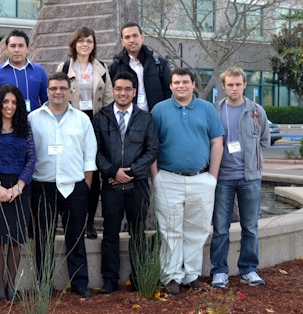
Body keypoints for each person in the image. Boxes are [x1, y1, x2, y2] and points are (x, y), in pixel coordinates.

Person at [150, 67, 224, 295]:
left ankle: (191, 275)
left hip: (201, 179)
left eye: (185, 82)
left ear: (193, 84)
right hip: (168, 178)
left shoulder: (207, 109)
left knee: (198, 229)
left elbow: (217, 142)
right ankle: (171, 276)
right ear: (170, 85)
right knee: (170, 230)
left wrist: (212, 177)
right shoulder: (159, 110)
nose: (180, 86)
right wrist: (156, 177)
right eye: (176, 83)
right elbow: (151, 146)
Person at [28, 72, 97, 298]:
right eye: (53, 88)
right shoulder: (33, 118)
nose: (58, 92)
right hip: (42, 186)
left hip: (74, 187)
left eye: (62, 88)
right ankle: (44, 285)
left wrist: (86, 184)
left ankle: (80, 284)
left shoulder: (82, 119)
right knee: (43, 240)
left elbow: (90, 154)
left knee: (75, 237)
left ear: (70, 91)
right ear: (47, 91)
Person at [93, 72, 158, 294]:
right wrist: (113, 171)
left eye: (127, 89)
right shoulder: (101, 118)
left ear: (134, 91)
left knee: (137, 232)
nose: (122, 93)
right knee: (110, 233)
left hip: (137, 185)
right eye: (118, 88)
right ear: (113, 91)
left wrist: (128, 172)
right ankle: (109, 279)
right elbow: (95, 151)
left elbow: (152, 151)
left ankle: (139, 277)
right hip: (111, 184)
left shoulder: (145, 118)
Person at [210, 67, 269, 288]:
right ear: (223, 86)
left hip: (250, 178)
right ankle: (219, 271)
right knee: (220, 228)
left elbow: (264, 139)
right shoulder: (215, 110)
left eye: (238, 84)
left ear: (244, 85)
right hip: (222, 178)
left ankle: (249, 270)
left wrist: (255, 165)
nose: (234, 88)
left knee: (251, 227)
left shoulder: (256, 110)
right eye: (230, 85)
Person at [56, 26, 114, 239]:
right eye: (81, 41)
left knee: (93, 173)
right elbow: (57, 94)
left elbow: (108, 99)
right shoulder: (63, 67)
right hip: (71, 123)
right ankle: (67, 220)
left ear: (94, 44)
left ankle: (89, 223)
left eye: (89, 41)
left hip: (95, 123)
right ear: (74, 43)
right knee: (69, 169)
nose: (85, 44)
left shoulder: (102, 68)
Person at [0, 84, 35, 301]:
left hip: (20, 187)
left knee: (15, 239)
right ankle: (0, 286)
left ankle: (12, 285)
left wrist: (19, 186)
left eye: (13, 102)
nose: (9, 106)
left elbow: (31, 159)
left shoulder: (25, 128)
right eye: (5, 102)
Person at [109, 22, 171, 112]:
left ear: (142, 37)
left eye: (135, 36)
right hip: (128, 119)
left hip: (155, 117)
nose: (132, 40)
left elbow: (168, 93)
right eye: (127, 37)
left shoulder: (159, 64)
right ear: (122, 41)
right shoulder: (116, 67)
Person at [0, 29, 48, 113]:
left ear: (27, 48)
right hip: (7, 124)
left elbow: (47, 102)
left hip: (34, 123)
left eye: (21, 46)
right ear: (7, 49)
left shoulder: (39, 71)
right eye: (13, 46)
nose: (17, 50)